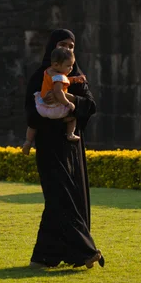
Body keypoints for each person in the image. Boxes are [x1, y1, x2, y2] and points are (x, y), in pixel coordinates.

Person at [25, 29, 104, 269]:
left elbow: (90, 106)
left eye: (71, 46)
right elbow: (31, 112)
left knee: (66, 199)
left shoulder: (77, 76)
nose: (68, 49)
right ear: (52, 48)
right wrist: (51, 104)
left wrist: (68, 104)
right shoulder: (40, 76)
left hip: (72, 147)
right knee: (60, 197)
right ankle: (86, 251)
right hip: (49, 146)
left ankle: (43, 257)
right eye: (63, 44)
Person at [22, 47, 87, 155]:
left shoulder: (48, 71)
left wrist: (74, 79)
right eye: (68, 66)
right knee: (72, 117)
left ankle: (28, 141)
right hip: (55, 109)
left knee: (33, 124)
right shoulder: (59, 77)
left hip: (41, 107)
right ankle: (70, 133)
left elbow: (63, 80)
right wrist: (68, 103)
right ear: (57, 65)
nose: (71, 68)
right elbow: (59, 92)